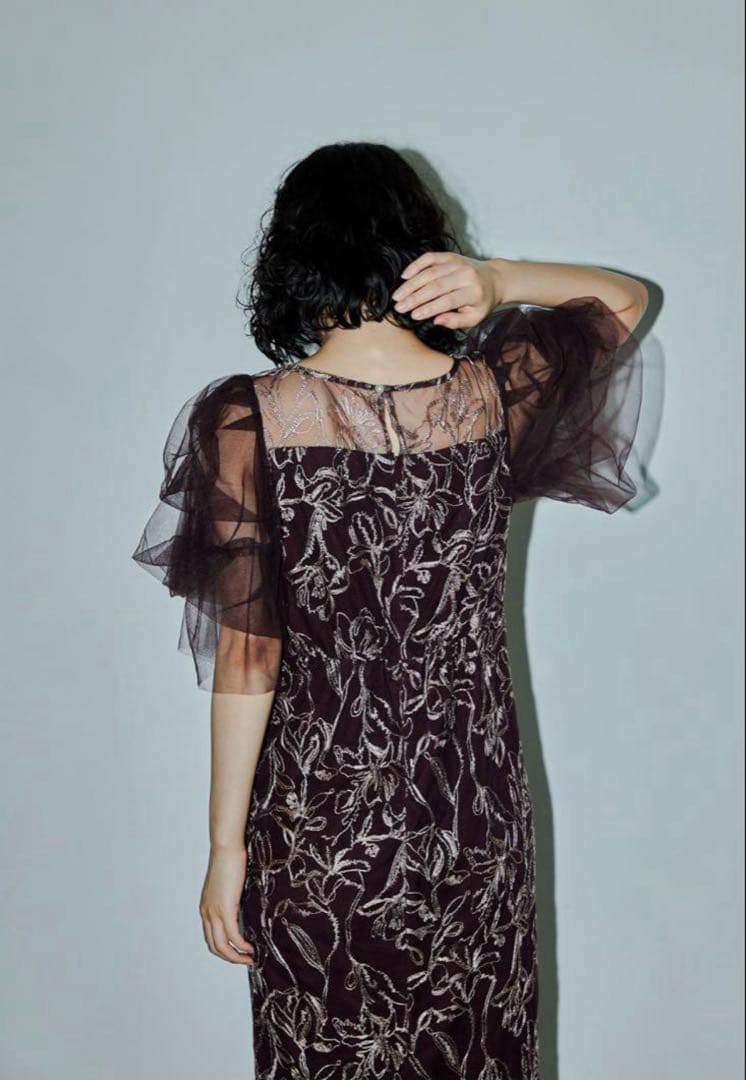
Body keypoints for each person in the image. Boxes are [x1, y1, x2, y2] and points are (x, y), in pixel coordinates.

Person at [132, 141, 646, 1080]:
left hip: (319, 814)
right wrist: (500, 281)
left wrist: (223, 846)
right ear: (417, 246)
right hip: (471, 806)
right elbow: (621, 303)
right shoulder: (490, 395)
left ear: (292, 256)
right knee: (473, 1050)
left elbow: (249, 654)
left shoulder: (251, 417)